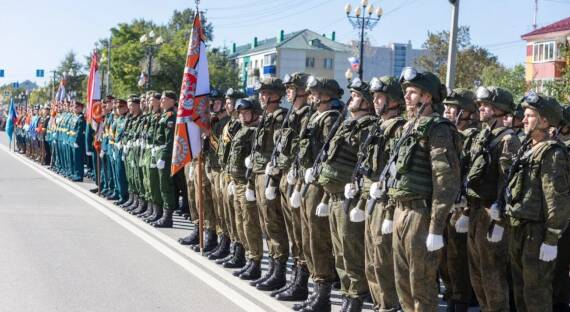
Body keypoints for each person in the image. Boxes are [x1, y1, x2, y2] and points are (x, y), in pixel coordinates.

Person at [389, 67, 461, 311]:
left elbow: (445, 180)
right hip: (401, 210)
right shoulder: (408, 127)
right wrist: (391, 210)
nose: (407, 97)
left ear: (427, 97)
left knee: (421, 284)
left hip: (421, 214)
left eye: (412, 92)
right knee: (402, 282)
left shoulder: (437, 128)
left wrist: (436, 227)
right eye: (406, 92)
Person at [317, 77, 377, 311]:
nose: (350, 99)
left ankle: (355, 298)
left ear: (367, 102)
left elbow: (368, 164)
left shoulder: (369, 127)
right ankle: (346, 293)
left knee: (351, 251)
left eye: (356, 95)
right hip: (335, 196)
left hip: (350, 198)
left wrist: (360, 195)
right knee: (339, 250)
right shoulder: (346, 124)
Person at [506, 93, 570, 311]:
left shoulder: (552, 153)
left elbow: (557, 199)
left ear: (544, 121)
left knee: (537, 294)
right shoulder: (527, 148)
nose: (523, 120)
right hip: (518, 228)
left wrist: (552, 238)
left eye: (529, 115)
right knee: (520, 292)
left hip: (537, 232)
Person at [466, 86, 521, 312]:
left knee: (492, 273)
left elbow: (508, 181)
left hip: (492, 213)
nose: (481, 109)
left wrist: (500, 221)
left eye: (486, 105)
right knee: (476, 272)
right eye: (480, 105)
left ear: (499, 110)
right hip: (476, 210)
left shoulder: (508, 139)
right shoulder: (482, 135)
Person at [292, 76, 343, 312]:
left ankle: (322, 294)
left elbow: (330, 155)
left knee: (317, 239)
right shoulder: (315, 117)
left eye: (314, 93)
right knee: (307, 236)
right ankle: (315, 289)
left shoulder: (331, 119)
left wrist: (318, 178)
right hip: (307, 182)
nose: (310, 96)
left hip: (319, 185)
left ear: (325, 96)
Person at [362, 76, 406, 312]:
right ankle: (380, 304)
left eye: (380, 98)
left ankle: (389, 306)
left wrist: (389, 210)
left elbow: (397, 172)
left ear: (392, 101)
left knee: (383, 259)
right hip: (372, 199)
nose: (375, 102)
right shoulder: (378, 127)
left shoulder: (398, 129)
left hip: (385, 203)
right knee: (371, 260)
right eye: (375, 97)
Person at [271, 72, 312, 301]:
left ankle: (301, 283)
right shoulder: (292, 116)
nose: (287, 91)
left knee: (300, 232)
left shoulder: (307, 115)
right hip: (287, 175)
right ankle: (293, 278)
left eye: (291, 87)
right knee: (292, 231)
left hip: (299, 180)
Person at [440, 88, 480, 312]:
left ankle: (461, 297)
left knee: (457, 254)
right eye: (446, 106)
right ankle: (452, 290)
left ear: (466, 111)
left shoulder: (474, 137)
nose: (447, 110)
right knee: (442, 254)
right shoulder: (448, 132)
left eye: (452, 107)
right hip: (444, 201)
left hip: (462, 205)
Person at [249, 77, 290, 291]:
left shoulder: (280, 117)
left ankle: (279, 272)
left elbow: (279, 150)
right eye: (261, 94)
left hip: (269, 174)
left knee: (274, 224)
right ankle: (273, 268)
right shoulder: (266, 117)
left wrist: (274, 178)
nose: (261, 97)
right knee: (265, 224)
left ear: (276, 95)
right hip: (259, 172)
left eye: (265, 93)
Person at [227, 96, 264, 280]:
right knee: (240, 223)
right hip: (237, 182)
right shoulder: (242, 130)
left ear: (255, 113)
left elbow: (257, 159)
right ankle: (248, 258)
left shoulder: (255, 132)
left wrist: (250, 185)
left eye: (245, 112)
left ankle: (255, 262)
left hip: (248, 183)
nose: (241, 115)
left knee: (250, 224)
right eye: (240, 113)